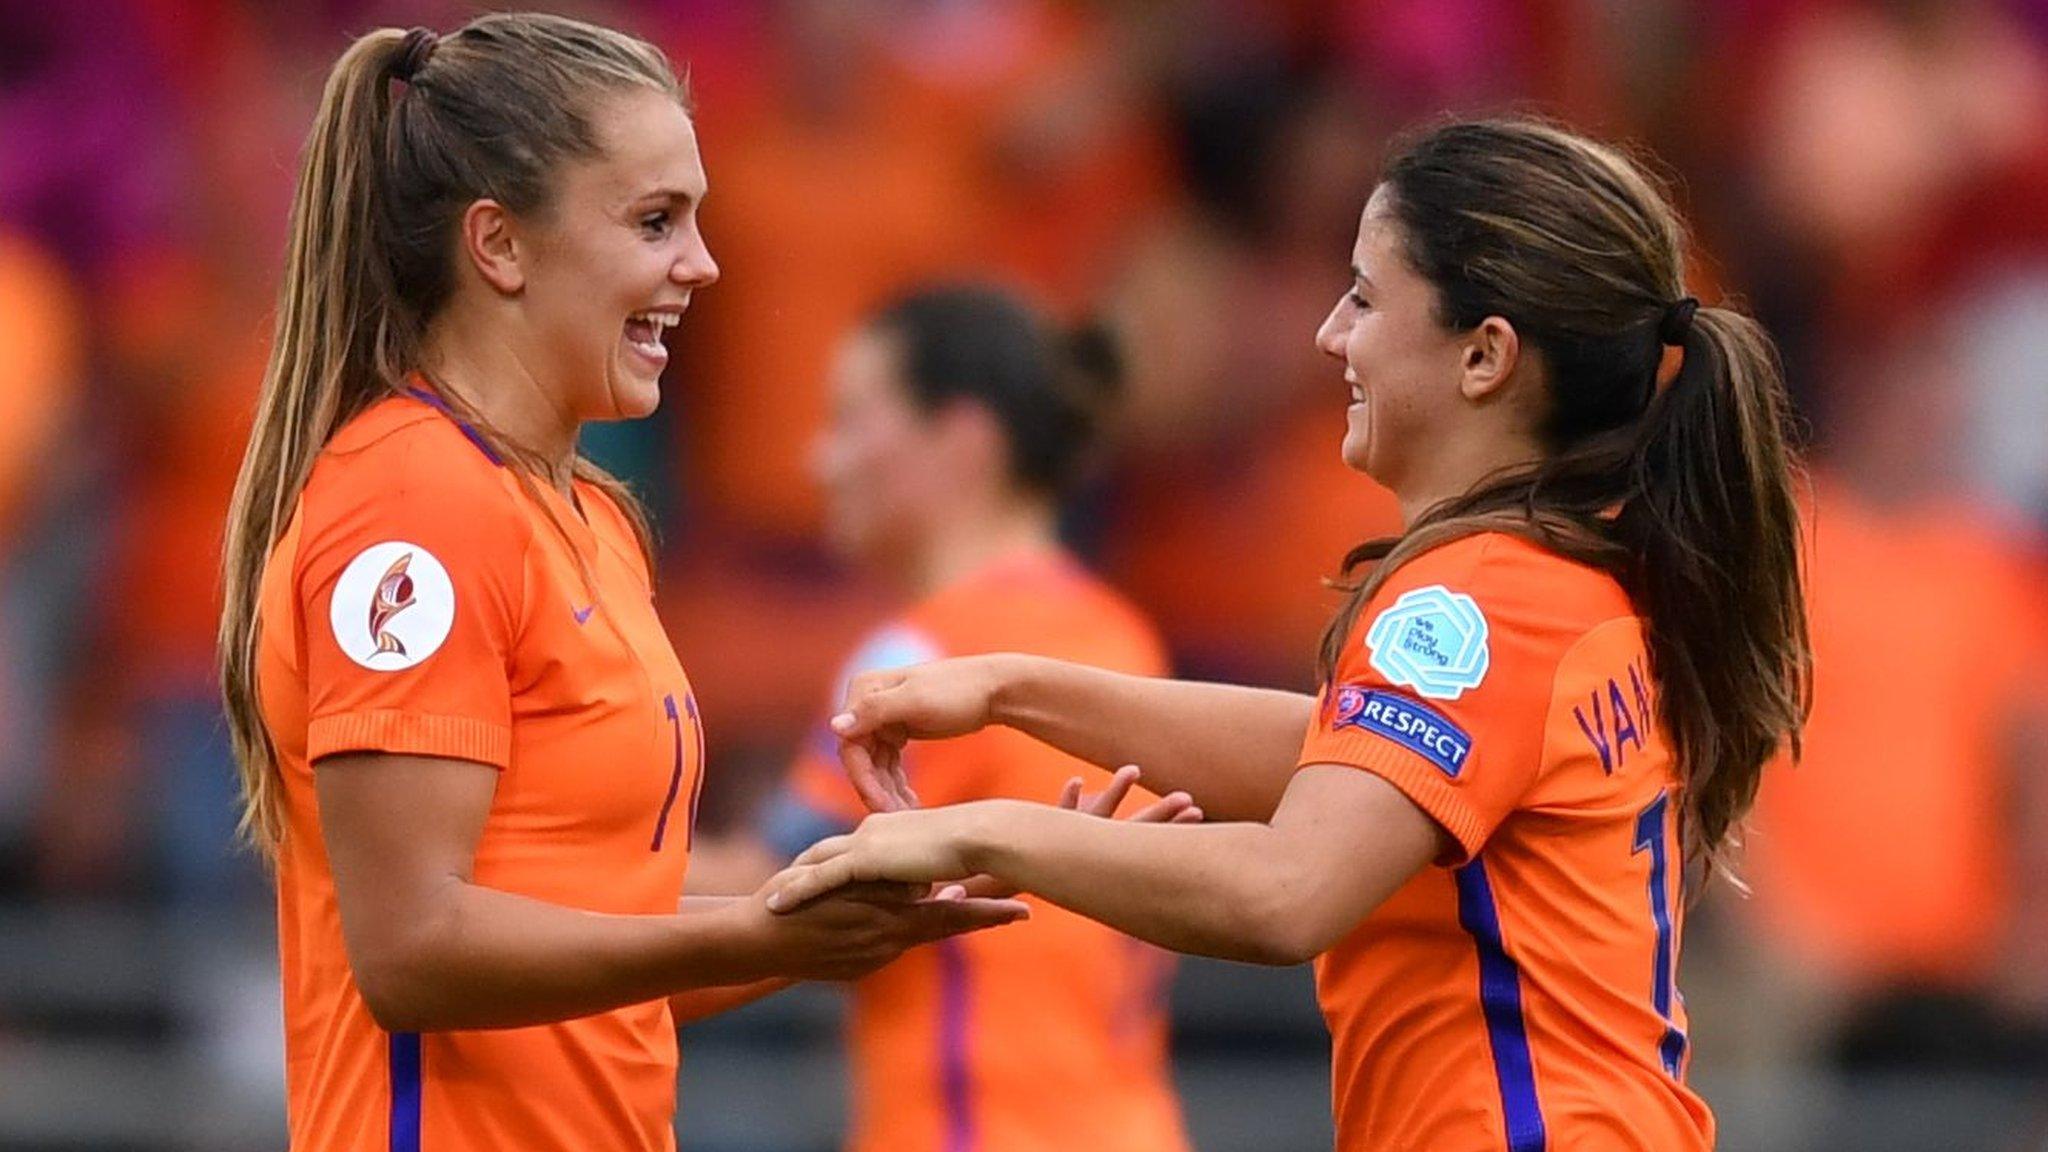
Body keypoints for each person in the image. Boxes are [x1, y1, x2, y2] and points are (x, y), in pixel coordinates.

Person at [767, 118, 1813, 1151]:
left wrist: (980, 830)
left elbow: (1287, 890)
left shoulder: (1479, 600)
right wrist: (1008, 689)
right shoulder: (1567, 578)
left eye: (1362, 296)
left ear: (1484, 355)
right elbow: (1335, 761)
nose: (1329, 334)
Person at [214, 16, 1032, 1152]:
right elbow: (412, 952)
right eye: (654, 222)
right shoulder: (412, 502)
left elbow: (606, 960)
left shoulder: (590, 512)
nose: (702, 263)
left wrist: (846, 908)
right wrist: (758, 934)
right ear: (498, 246)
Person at [692, 285, 1195, 1152]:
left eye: (851, 420)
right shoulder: (1122, 635)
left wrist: (526, 884)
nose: (821, 459)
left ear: (962, 440)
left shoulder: (927, 653)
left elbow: (768, 880)